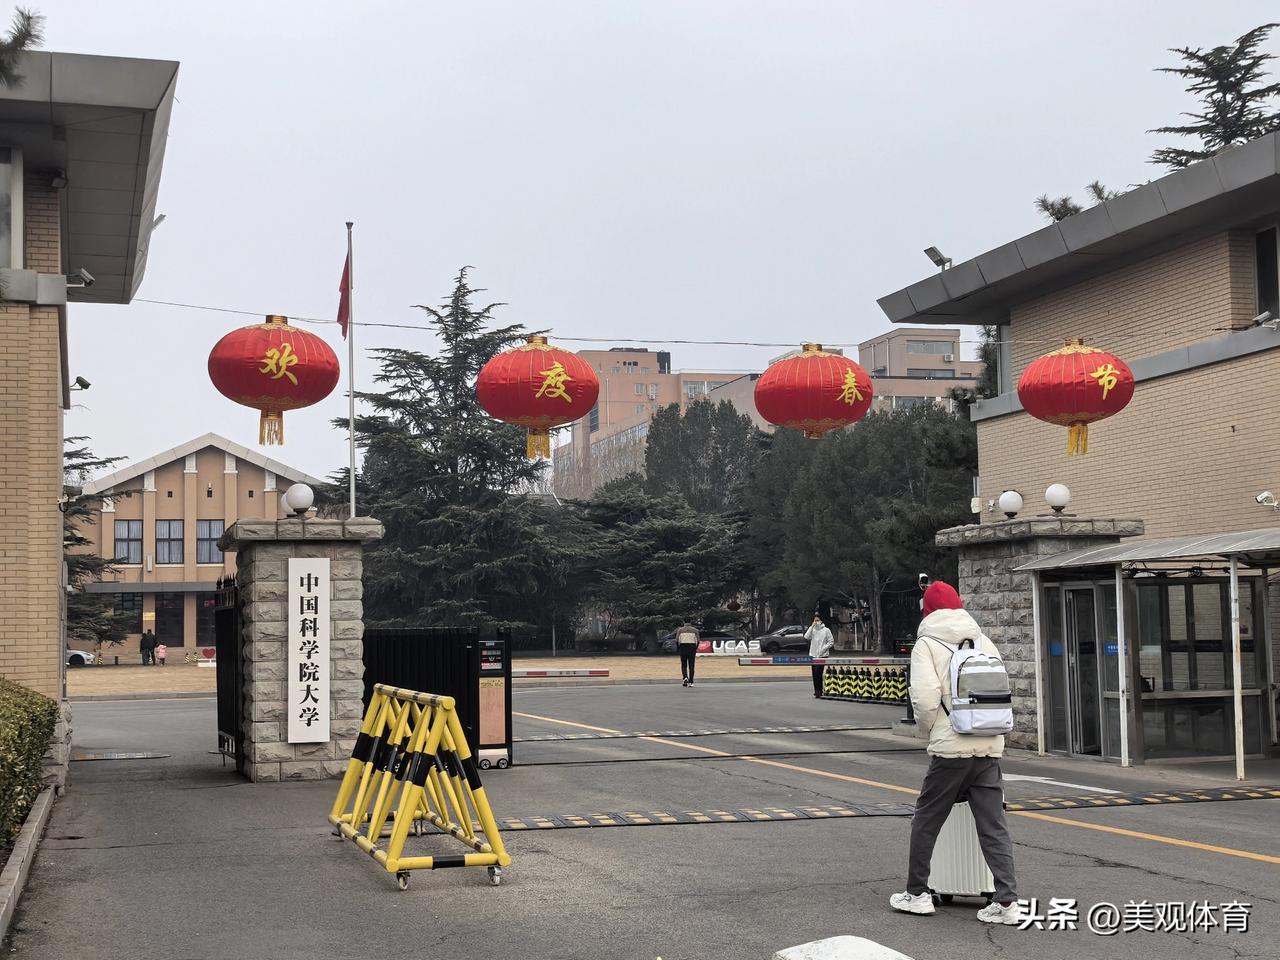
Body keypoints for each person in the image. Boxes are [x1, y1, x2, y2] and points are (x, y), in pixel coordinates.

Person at [889, 581, 1020, 925]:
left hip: (951, 748)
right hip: (989, 742)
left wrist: (928, 730)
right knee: (993, 825)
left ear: (927, 611)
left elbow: (924, 698)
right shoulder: (983, 640)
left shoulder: (927, 644)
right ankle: (1006, 901)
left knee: (926, 819)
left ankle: (917, 893)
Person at [804, 613, 834, 698]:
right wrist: (811, 627)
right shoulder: (812, 630)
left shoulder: (826, 630)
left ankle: (819, 690)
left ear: (821, 621)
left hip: (822, 655)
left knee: (818, 672)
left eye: (817, 620)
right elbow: (806, 637)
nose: (816, 622)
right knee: (814, 673)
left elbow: (831, 642)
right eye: (815, 620)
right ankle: (816, 691)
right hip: (813, 655)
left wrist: (823, 649)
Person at [675, 623, 699, 687]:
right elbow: (698, 640)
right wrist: (695, 648)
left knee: (684, 665)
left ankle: (685, 677)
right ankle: (691, 681)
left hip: (683, 647)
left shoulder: (680, 630)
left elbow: (677, 640)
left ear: (684, 622)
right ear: (690, 622)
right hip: (692, 647)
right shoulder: (695, 630)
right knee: (691, 666)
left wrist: (679, 648)